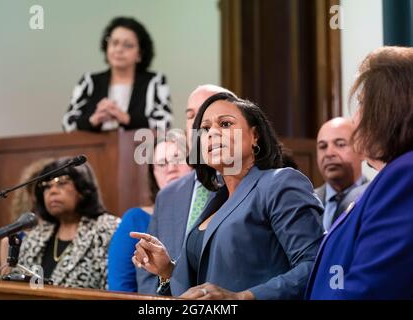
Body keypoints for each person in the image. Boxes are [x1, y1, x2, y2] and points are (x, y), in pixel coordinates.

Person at [132, 92, 324, 299]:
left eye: (225, 124)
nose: (212, 133)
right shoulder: (216, 201)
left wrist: (242, 297)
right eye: (205, 129)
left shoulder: (279, 183)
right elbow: (209, 282)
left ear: (255, 136)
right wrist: (168, 270)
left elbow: (315, 265)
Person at [306, 46, 413, 299]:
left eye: (362, 103)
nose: (355, 119)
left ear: (388, 109)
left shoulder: (404, 174)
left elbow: (369, 289)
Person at [136, 84, 235, 294]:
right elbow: (148, 270)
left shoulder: (244, 182)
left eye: (206, 113)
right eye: (191, 116)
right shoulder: (168, 195)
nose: (198, 123)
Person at [17, 157, 120, 289]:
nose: (52, 191)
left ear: (82, 190)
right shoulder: (36, 235)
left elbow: (114, 288)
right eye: (47, 186)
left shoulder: (108, 229)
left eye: (61, 183)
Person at [107, 133, 192, 292]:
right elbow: (120, 287)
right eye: (161, 163)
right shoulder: (135, 219)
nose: (171, 169)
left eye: (178, 159)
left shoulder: (209, 209)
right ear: (153, 173)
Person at [62, 17, 172, 132]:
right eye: (114, 43)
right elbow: (67, 123)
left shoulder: (155, 81)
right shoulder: (89, 81)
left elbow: (165, 123)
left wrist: (126, 118)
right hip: (96, 148)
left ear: (140, 54)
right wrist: (93, 120)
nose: (119, 49)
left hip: (140, 148)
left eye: (128, 45)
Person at [0, 158, 54, 270]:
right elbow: (6, 283)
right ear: (32, 194)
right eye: (46, 187)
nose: (53, 191)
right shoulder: (11, 242)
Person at [315, 117, 368, 231]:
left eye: (340, 144)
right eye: (322, 146)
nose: (329, 153)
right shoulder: (308, 202)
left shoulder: (374, 196)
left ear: (361, 150)